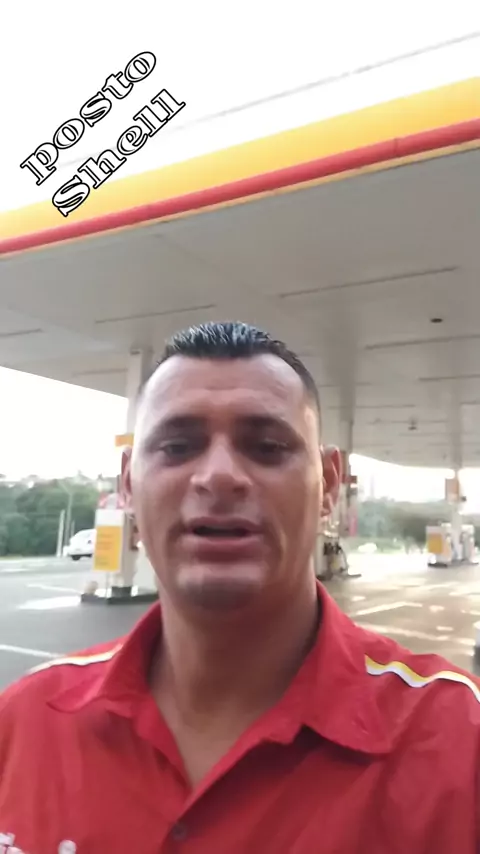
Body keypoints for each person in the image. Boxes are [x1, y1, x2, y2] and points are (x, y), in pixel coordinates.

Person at [0, 320, 479, 854]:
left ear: (328, 485)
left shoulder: (457, 741)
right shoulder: (24, 720)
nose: (219, 476)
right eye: (178, 447)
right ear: (129, 483)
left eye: (267, 447)